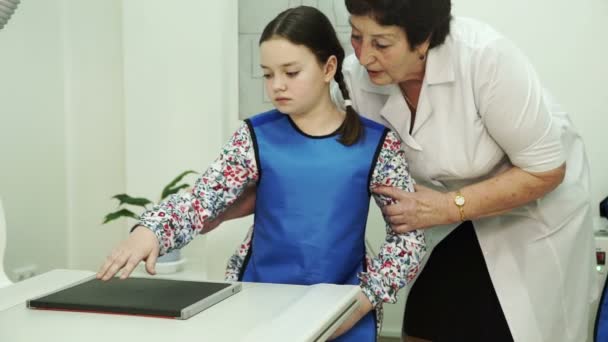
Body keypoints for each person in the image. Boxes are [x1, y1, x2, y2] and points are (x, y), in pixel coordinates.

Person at [219, 1, 597, 341]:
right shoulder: (357, 77)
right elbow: (337, 148)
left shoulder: (484, 58)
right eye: (355, 36)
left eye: (382, 44)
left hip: (533, 210)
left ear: (423, 41)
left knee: (502, 323)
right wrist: (272, 188)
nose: (364, 56)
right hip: (449, 215)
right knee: (427, 317)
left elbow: (546, 170)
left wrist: (450, 206)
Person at [96, 6, 426, 342]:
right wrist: (150, 231)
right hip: (259, 301)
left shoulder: (378, 144)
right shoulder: (254, 136)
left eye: (291, 72)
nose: (277, 86)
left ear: (329, 68)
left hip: (346, 308)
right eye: (268, 74)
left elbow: (408, 239)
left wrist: (364, 298)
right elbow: (201, 202)